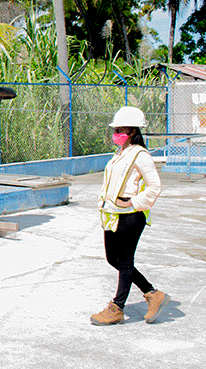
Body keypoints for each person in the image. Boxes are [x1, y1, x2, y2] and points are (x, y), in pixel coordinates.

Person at [90, 106, 169, 325]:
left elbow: (154, 187)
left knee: (125, 261)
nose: (116, 133)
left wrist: (133, 202)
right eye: (116, 129)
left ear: (133, 131)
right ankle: (152, 293)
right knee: (112, 259)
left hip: (132, 215)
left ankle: (117, 308)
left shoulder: (140, 155)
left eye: (121, 129)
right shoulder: (120, 153)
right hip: (113, 214)